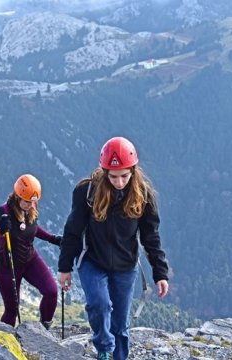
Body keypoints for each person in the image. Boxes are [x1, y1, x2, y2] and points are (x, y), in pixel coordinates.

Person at [58, 137, 169, 360]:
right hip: (93, 262)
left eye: (124, 176)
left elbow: (150, 237)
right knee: (99, 305)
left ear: (133, 171)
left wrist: (160, 272)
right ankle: (103, 348)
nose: (119, 182)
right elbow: (72, 232)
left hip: (126, 266)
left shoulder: (144, 196)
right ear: (104, 172)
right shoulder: (87, 192)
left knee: (120, 324)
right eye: (113, 176)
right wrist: (65, 267)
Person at [0, 174, 61, 329]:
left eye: (33, 202)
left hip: (30, 260)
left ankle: (44, 329)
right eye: (27, 201)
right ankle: (3, 342)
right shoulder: (3, 213)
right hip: (7, 265)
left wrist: (52, 239)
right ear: (17, 196)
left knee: (51, 291)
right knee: (12, 311)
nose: (30, 205)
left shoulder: (31, 207)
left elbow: (32, 229)